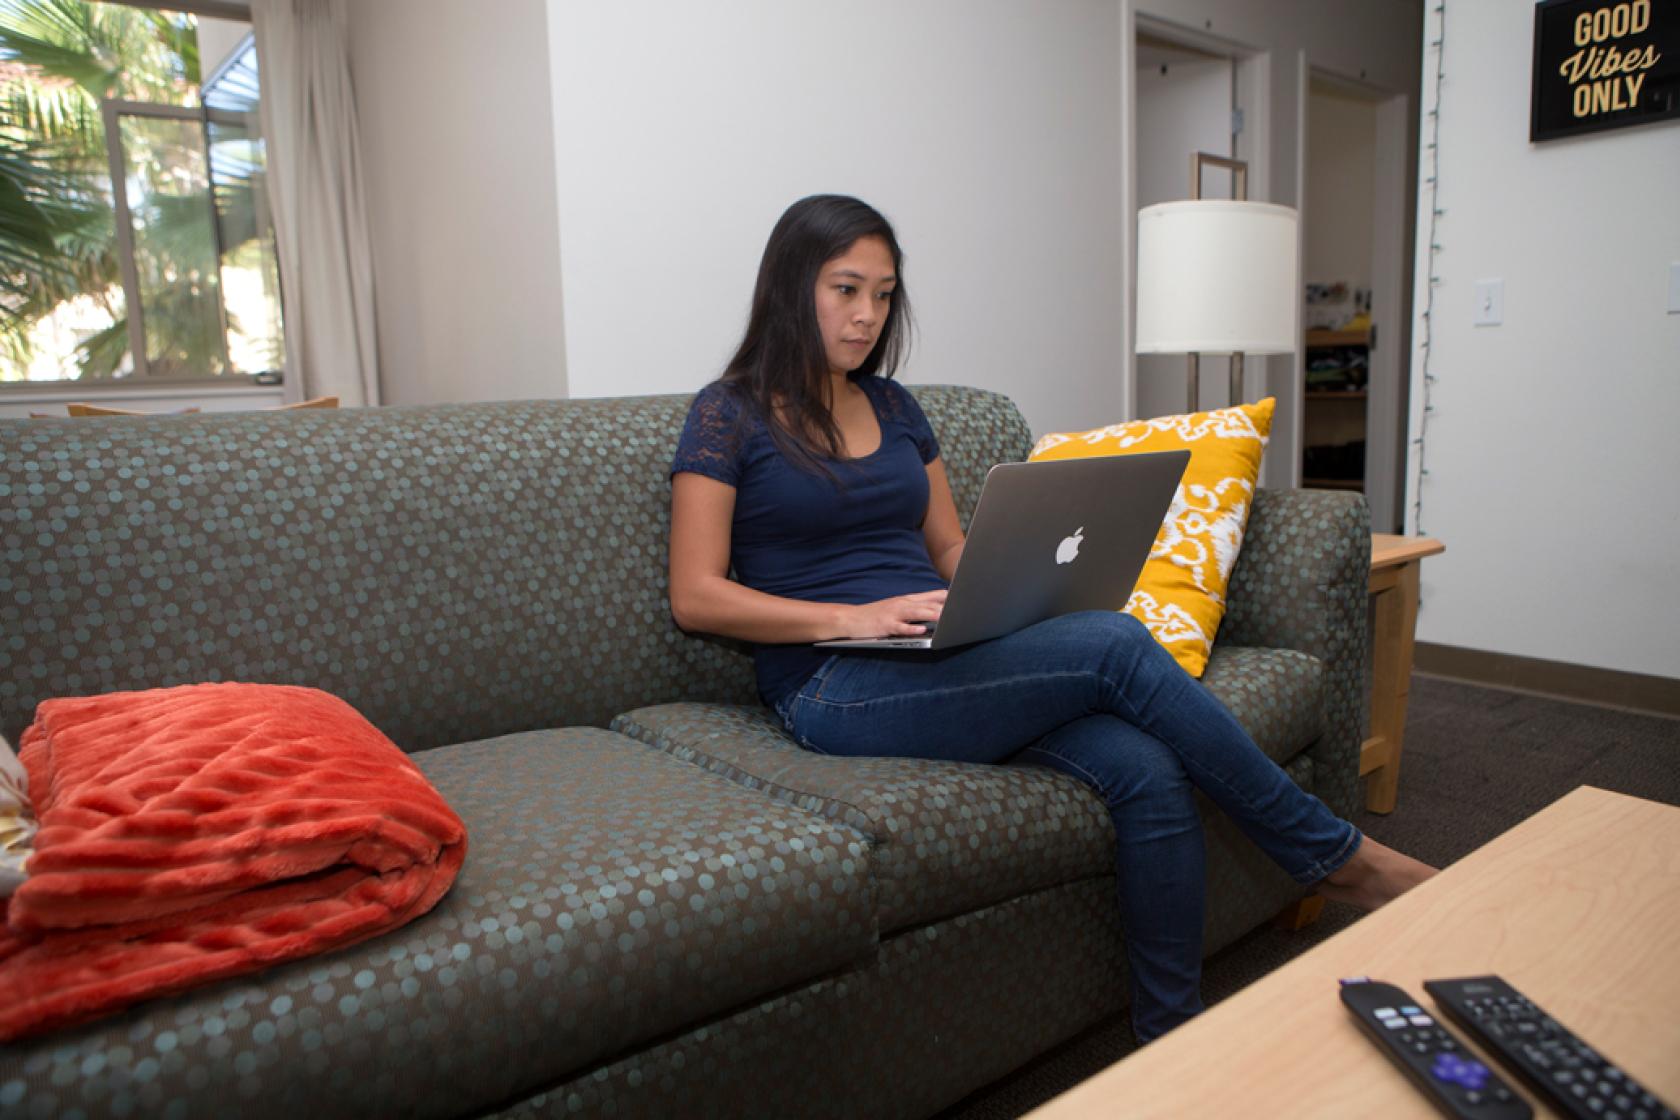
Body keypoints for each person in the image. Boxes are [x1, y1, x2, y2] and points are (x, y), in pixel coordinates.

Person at [667, 194, 1435, 1043]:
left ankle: (1171, 1047)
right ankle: (1337, 859)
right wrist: (857, 614)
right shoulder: (728, 412)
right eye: (846, 290)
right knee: (1111, 645)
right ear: (789, 288)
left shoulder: (893, 409)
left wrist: (1014, 582)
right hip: (832, 681)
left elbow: (950, 548)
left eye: (884, 295)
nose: (867, 316)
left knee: (1144, 766)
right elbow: (695, 595)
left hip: (937, 652)